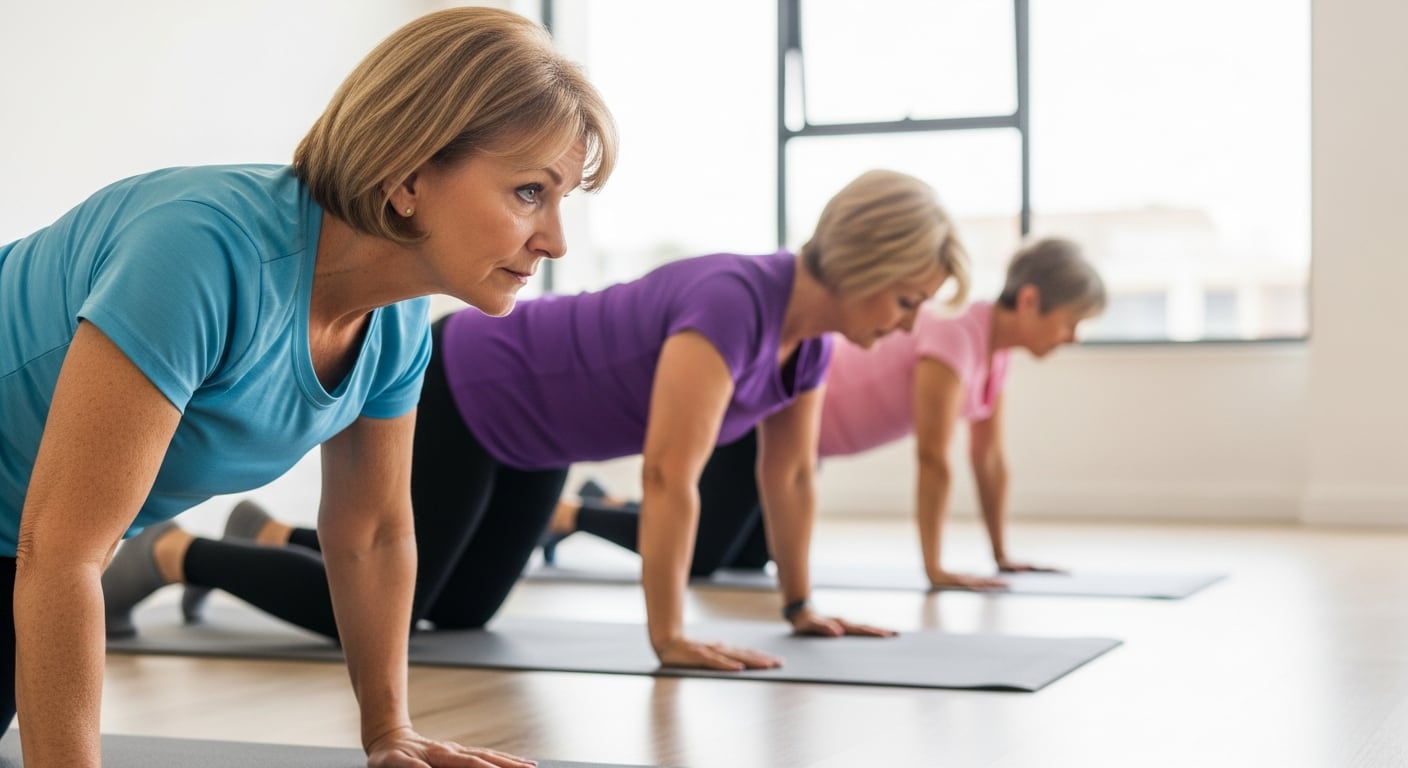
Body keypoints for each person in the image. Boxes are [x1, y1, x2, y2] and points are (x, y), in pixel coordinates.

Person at [1, 7, 617, 767]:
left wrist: (390, 734)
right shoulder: (199, 254)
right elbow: (61, 553)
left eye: (563, 203)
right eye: (530, 192)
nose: (554, 238)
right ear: (409, 174)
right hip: (39, 545)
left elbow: (372, 534)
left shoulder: (393, 328)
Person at [125, 169, 968, 672]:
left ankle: (267, 535)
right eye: (906, 300)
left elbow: (788, 475)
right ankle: (173, 553)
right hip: (475, 382)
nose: (905, 324)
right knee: (396, 610)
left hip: (545, 441)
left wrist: (800, 603)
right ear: (865, 263)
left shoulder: (810, 347)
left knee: (463, 614)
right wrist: (668, 634)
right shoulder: (735, 301)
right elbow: (670, 476)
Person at [551, 237, 1105, 591]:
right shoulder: (957, 333)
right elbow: (934, 458)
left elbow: (990, 460)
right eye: (1071, 322)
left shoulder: (994, 359)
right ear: (1030, 301)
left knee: (752, 558)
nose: (1073, 338)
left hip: (805, 445)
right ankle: (568, 515)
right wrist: (936, 571)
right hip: (769, 419)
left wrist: (1002, 556)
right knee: (700, 556)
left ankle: (608, 499)